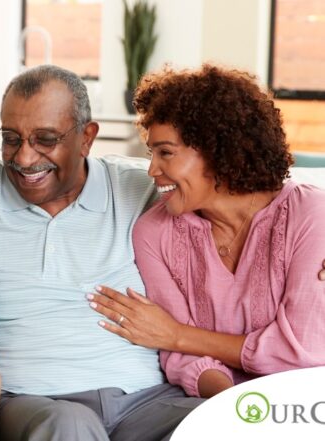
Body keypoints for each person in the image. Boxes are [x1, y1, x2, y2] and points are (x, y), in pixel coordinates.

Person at [0, 65, 207, 441]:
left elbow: (246, 203)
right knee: (68, 426)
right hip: (32, 400)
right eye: (11, 139)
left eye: (45, 139)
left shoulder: (144, 189)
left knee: (221, 423)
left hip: (144, 400)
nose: (25, 159)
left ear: (87, 137)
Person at [88, 64, 325, 399]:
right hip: (221, 404)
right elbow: (177, 355)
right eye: (151, 153)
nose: (152, 169)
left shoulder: (309, 216)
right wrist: (230, 407)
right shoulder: (154, 233)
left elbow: (302, 351)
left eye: (165, 153)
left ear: (218, 151)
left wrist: (177, 334)